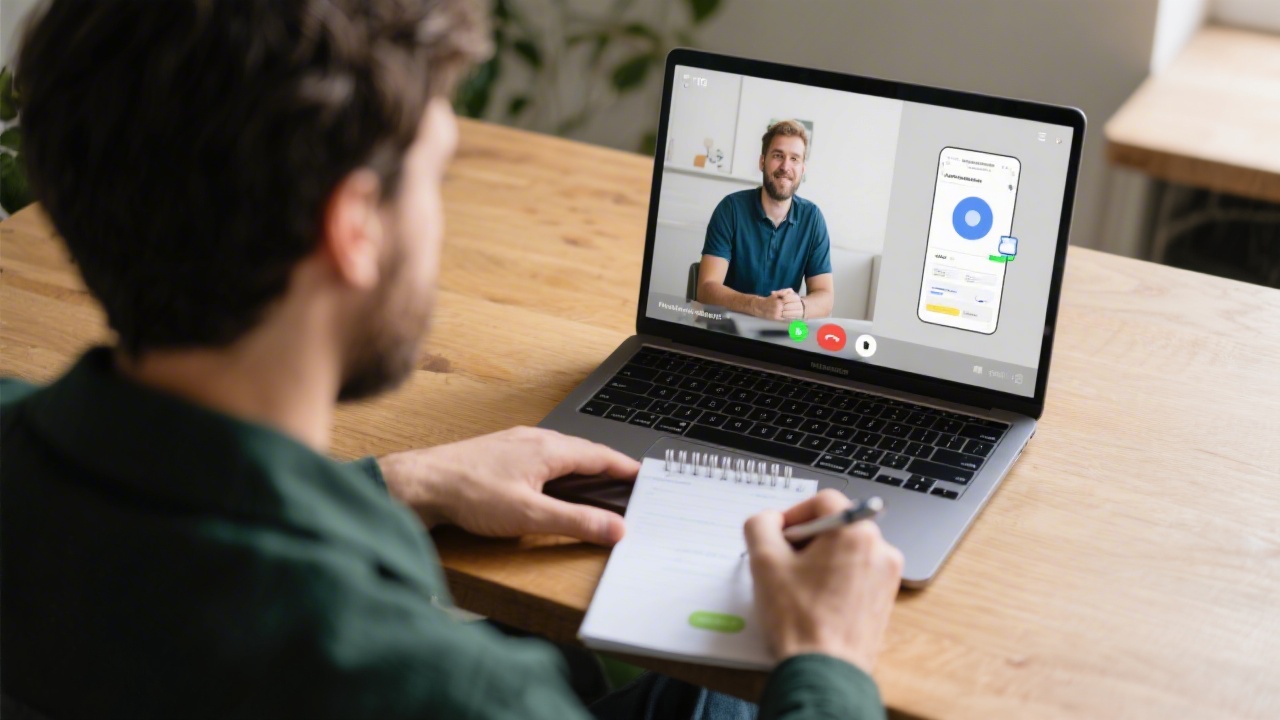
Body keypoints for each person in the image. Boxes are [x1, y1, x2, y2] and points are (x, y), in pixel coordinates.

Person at [0, 2, 903, 718]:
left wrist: (399, 481)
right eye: (439, 177)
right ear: (353, 229)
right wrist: (827, 665)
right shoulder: (457, 694)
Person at [696, 120, 836, 321]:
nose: (785, 166)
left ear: (802, 169)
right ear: (762, 162)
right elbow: (706, 288)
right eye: (778, 156)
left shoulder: (813, 219)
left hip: (779, 334)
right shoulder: (730, 209)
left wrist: (800, 306)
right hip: (727, 328)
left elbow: (826, 297)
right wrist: (758, 306)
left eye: (794, 159)